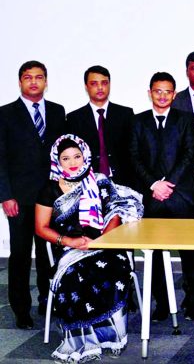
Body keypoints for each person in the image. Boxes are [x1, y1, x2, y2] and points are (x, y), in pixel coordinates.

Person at [35, 135, 143, 362]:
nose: (72, 162)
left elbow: (115, 212)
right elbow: (41, 228)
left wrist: (102, 241)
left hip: (104, 246)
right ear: (57, 161)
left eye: (77, 156)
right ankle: (84, 341)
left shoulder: (100, 180)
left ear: (85, 156)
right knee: (76, 279)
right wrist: (71, 242)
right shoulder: (49, 189)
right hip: (69, 250)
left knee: (112, 271)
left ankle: (108, 336)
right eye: (65, 158)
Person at [128, 72, 194, 321]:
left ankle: (193, 302)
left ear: (174, 94)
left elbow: (189, 153)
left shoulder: (186, 119)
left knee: (189, 252)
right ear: (149, 93)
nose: (162, 96)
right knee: (156, 254)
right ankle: (161, 302)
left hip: (181, 194)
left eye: (167, 91)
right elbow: (135, 157)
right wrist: (153, 185)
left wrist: (167, 184)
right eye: (157, 91)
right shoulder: (138, 121)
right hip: (152, 197)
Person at [0, 60, 66, 329]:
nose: (34, 82)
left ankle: (47, 301)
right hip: (19, 198)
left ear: (46, 81)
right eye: (28, 78)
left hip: (50, 198)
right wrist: (5, 195)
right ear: (20, 82)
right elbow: (0, 159)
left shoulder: (57, 111)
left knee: (49, 252)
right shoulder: (5, 114)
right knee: (19, 255)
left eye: (39, 77)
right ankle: (21, 309)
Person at [65, 65, 135, 188]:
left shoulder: (125, 114)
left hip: (123, 183)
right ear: (86, 87)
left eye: (104, 83)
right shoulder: (74, 118)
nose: (100, 87)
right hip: (87, 184)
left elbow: (133, 150)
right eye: (94, 83)